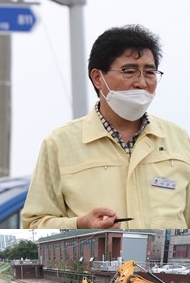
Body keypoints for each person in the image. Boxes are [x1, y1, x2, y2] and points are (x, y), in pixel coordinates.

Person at [22, 24, 190, 229]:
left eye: (150, 72)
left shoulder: (179, 139)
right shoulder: (60, 143)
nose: (142, 83)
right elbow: (34, 223)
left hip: (164, 261)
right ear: (97, 78)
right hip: (100, 259)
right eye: (129, 71)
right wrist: (81, 224)